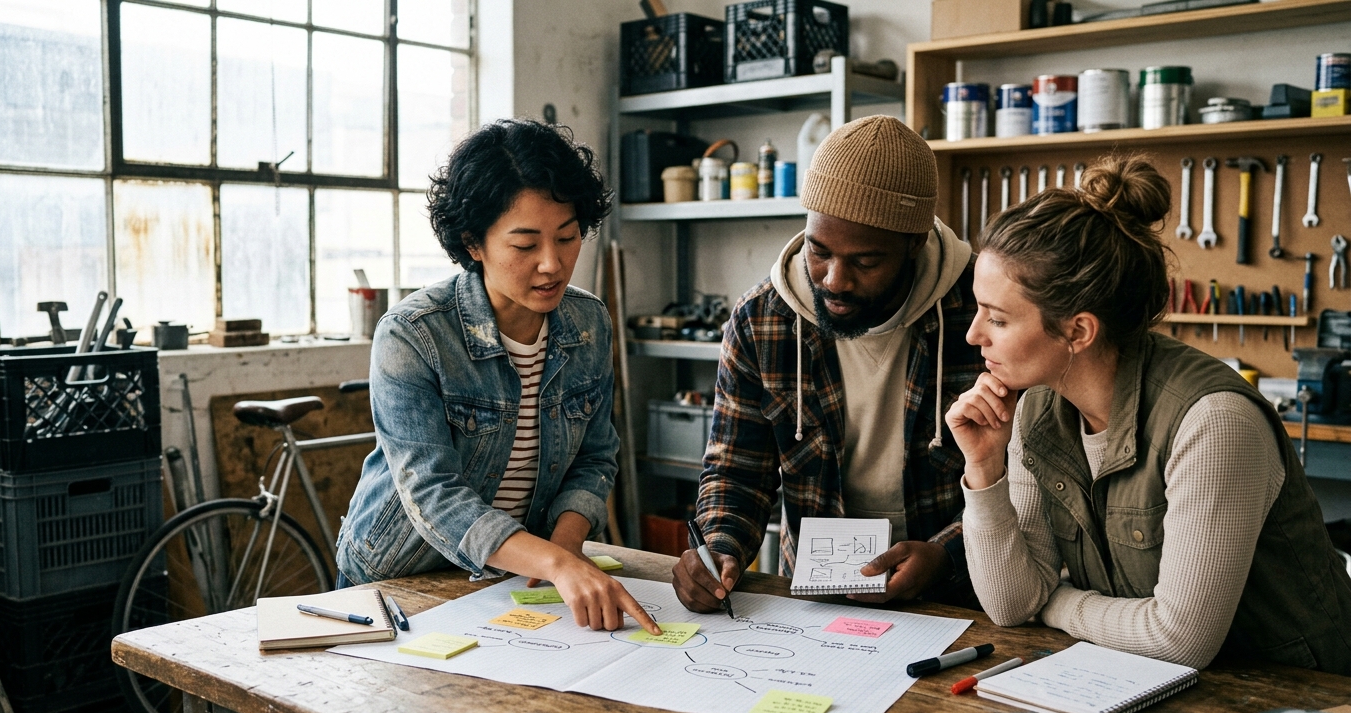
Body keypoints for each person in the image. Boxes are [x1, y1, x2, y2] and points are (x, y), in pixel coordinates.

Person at [948, 155, 1351, 673]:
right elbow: (1009, 605)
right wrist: (984, 471)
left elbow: (1179, 638)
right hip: (1149, 683)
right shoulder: (1036, 412)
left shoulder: (1213, 423)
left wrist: (1056, 603)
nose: (973, 334)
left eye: (997, 319)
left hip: (1298, 700)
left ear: (1078, 331)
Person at [335, 119, 659, 636]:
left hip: (516, 578)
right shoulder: (412, 335)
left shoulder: (589, 323)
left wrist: (568, 547)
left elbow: (596, 456)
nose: (552, 264)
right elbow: (433, 492)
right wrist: (557, 565)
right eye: (525, 245)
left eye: (568, 237)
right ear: (474, 242)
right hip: (403, 580)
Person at [672, 115, 985, 612]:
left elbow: (1025, 475)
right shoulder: (762, 321)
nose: (834, 280)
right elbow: (737, 470)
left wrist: (946, 555)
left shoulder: (983, 310)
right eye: (819, 251)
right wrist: (720, 547)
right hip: (816, 600)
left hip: (960, 593)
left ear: (915, 244)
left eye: (866, 262)